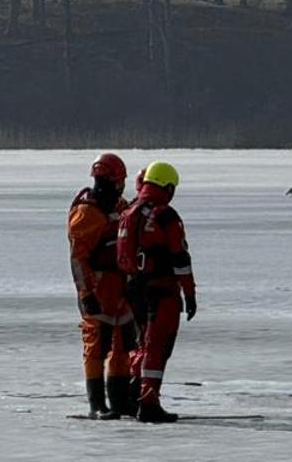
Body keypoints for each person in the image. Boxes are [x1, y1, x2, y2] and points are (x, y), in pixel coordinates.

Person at [116, 160, 197, 424]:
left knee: (143, 343)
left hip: (134, 289)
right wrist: (190, 294)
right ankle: (148, 401)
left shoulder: (129, 213)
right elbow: (180, 259)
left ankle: (135, 393)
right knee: (158, 345)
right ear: (168, 186)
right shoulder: (165, 215)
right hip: (162, 289)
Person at [68, 154, 137, 419]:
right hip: (97, 288)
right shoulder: (87, 213)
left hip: (121, 286)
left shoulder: (119, 207)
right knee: (96, 345)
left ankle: (120, 401)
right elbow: (78, 258)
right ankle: (97, 404)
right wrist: (86, 294)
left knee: (124, 343)